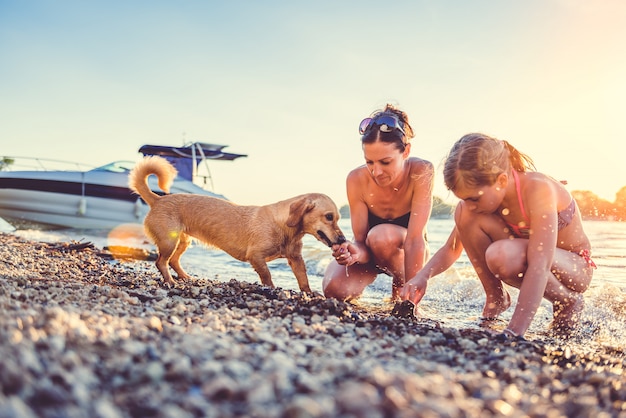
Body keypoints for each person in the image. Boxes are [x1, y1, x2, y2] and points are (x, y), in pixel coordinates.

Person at [400, 133, 595, 337]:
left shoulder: (538, 189)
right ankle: (496, 299)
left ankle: (568, 300)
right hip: (531, 257)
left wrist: (513, 332)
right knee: (464, 215)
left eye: (474, 198)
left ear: (501, 180)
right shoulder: (480, 201)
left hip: (574, 268)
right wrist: (422, 277)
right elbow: (452, 248)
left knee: (502, 255)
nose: (469, 205)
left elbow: (540, 264)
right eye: (464, 198)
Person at [323, 104, 434, 301]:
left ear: (406, 151)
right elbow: (362, 241)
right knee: (334, 290)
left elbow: (416, 240)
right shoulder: (355, 180)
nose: (377, 172)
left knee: (381, 236)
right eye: (370, 162)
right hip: (372, 256)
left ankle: (400, 289)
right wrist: (354, 252)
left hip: (408, 255)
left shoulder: (421, 171)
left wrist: (412, 299)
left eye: (385, 162)